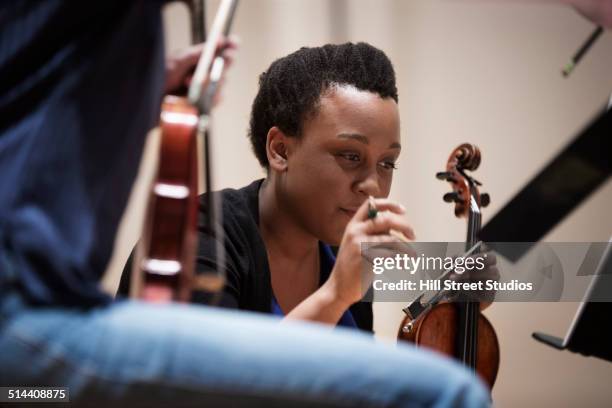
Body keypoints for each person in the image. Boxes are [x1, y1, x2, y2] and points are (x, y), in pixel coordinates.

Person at [0, 2, 490, 406]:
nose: (372, 187)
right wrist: (335, 295)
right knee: (447, 393)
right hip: (29, 337)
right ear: (279, 149)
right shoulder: (208, 235)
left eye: (387, 164)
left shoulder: (341, 253)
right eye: (349, 156)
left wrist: (478, 284)